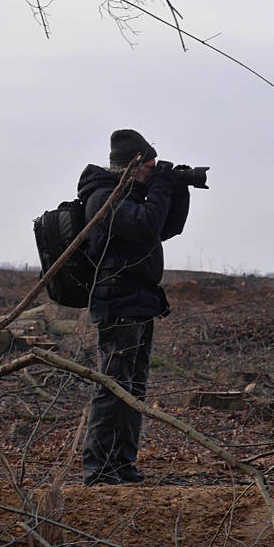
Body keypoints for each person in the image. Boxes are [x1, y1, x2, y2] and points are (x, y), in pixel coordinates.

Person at [78, 128, 190, 485]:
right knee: (112, 387)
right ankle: (98, 469)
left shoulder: (131, 196)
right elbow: (145, 226)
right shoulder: (103, 199)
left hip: (140, 302)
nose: (153, 170)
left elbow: (167, 226)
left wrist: (176, 187)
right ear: (132, 165)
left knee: (133, 390)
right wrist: (159, 188)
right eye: (150, 165)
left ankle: (123, 464)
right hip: (118, 302)